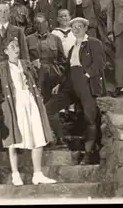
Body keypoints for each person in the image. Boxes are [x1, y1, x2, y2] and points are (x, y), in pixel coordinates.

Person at [0, 37, 57, 186]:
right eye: (12, 47)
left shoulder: (27, 64)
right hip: (13, 105)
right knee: (13, 139)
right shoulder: (1, 68)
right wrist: (3, 103)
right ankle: (15, 174)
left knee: (38, 134)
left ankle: (38, 174)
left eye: (17, 46)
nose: (16, 49)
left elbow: (37, 80)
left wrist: (38, 94)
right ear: (6, 51)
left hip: (31, 102)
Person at [52, 17, 106, 165]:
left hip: (86, 83)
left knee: (90, 117)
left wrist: (87, 75)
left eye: (79, 27)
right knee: (49, 108)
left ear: (85, 28)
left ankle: (88, 153)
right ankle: (60, 141)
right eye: (73, 28)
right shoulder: (72, 47)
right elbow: (68, 69)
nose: (76, 30)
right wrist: (60, 84)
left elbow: (100, 63)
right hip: (71, 84)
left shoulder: (93, 43)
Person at [0, 3, 29, 148]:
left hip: (12, 73)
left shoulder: (17, 31)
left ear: (10, 13)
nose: (3, 14)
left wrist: (24, 74)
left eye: (6, 11)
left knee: (13, 106)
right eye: (0, 11)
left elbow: (25, 54)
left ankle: (17, 141)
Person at [26, 13, 66, 102]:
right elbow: (24, 59)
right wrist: (32, 64)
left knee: (53, 103)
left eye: (42, 23)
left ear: (47, 23)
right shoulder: (28, 39)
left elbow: (62, 60)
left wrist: (61, 78)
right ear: (34, 25)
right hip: (36, 75)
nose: (40, 26)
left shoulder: (55, 39)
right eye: (37, 23)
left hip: (53, 74)